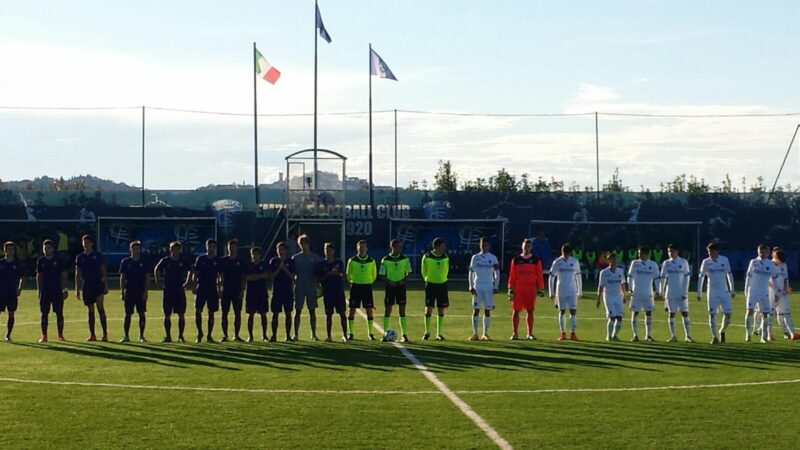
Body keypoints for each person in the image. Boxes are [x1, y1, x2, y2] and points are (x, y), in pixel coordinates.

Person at [697, 242, 735, 344]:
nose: (710, 254)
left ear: (717, 251)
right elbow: (701, 277)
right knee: (712, 314)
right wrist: (699, 293)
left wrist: (732, 289)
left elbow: (729, 274)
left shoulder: (724, 260)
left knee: (728, 314)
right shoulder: (706, 262)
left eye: (712, 252)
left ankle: (721, 331)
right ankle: (714, 337)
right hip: (712, 291)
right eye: (708, 252)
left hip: (724, 291)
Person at [506, 238, 543, 341]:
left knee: (530, 310)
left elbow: (539, 274)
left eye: (528, 246)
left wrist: (540, 288)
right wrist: (510, 288)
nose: (526, 248)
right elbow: (512, 275)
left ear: (531, 248)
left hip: (530, 288)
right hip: (519, 287)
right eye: (525, 246)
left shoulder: (536, 260)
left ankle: (530, 333)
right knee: (516, 310)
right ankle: (515, 333)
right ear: (522, 247)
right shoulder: (516, 260)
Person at [154, 241, 190, 343]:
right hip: (168, 290)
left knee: (181, 314)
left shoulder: (183, 261)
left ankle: (181, 336)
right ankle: (168, 336)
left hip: (179, 290)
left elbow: (190, 271)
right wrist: (158, 282)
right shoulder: (166, 261)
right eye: (174, 249)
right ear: (170, 250)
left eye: (178, 249)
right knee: (167, 314)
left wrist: (187, 282)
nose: (176, 251)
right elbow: (156, 269)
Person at [75, 234, 109, 342]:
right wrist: (77, 289)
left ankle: (105, 334)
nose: (86, 244)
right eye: (84, 242)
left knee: (100, 308)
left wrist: (106, 284)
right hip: (87, 285)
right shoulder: (80, 257)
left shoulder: (98, 255)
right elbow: (78, 273)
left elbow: (103, 269)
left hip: (98, 283)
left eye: (88, 242)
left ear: (92, 243)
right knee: (90, 310)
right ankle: (92, 335)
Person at [379, 239, 412, 342]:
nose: (399, 248)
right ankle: (385, 334)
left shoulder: (405, 258)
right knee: (388, 310)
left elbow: (409, 272)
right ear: (392, 247)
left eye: (400, 247)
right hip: (390, 287)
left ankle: (404, 335)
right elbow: (381, 274)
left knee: (402, 310)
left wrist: (404, 280)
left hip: (401, 287)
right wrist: (389, 281)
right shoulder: (385, 259)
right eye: (398, 246)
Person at [744, 244, 777, 343]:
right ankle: (748, 334)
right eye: (760, 252)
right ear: (758, 252)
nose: (762, 254)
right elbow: (748, 277)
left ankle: (764, 336)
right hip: (753, 291)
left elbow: (774, 279)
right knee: (749, 311)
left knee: (765, 314)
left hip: (764, 292)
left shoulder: (771, 264)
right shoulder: (753, 262)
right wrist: (746, 290)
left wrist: (775, 293)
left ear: (768, 252)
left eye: (764, 252)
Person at [659, 244, 693, 342]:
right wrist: (662, 292)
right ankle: (673, 336)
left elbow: (687, 278)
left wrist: (685, 292)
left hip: (681, 292)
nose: (670, 253)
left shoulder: (683, 262)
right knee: (671, 313)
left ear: (677, 251)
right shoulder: (666, 263)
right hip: (670, 293)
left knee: (685, 313)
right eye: (669, 251)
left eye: (672, 251)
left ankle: (688, 336)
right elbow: (663, 278)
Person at [36, 239, 68, 342]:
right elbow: (39, 276)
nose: (46, 249)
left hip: (57, 290)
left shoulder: (58, 260)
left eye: (49, 247)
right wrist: (39, 290)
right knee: (44, 313)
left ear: (53, 249)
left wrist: (65, 289)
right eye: (45, 248)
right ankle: (44, 335)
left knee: (59, 313)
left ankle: (61, 335)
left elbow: (63, 276)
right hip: (45, 291)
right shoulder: (41, 261)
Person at [549, 243, 582, 341]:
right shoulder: (557, 262)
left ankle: (573, 333)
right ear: (561, 252)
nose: (565, 255)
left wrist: (580, 291)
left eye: (567, 253)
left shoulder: (574, 261)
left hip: (572, 291)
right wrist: (551, 292)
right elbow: (551, 277)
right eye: (564, 253)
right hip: (561, 291)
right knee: (562, 311)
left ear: (570, 253)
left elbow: (578, 276)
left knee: (573, 312)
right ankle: (563, 333)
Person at [627, 246, 660, 342]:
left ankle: (648, 335)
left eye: (641, 253)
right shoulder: (635, 263)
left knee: (648, 313)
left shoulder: (653, 265)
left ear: (647, 254)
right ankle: (635, 335)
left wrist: (658, 291)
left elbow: (657, 279)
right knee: (635, 312)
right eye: (638, 254)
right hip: (636, 292)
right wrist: (629, 288)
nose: (639, 255)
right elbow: (630, 276)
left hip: (648, 293)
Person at [346, 240, 377, 340]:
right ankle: (350, 333)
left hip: (367, 287)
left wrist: (368, 281)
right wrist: (353, 281)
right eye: (360, 247)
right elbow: (348, 274)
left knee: (369, 310)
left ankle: (370, 333)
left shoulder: (371, 261)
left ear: (366, 249)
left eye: (364, 247)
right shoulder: (352, 260)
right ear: (357, 248)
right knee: (352, 310)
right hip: (355, 287)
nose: (362, 249)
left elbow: (374, 274)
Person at [191, 239, 221, 343]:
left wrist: (220, 288)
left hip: (212, 288)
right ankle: (199, 333)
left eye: (213, 246)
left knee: (211, 312)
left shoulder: (217, 260)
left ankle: (209, 335)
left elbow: (220, 276)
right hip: (201, 288)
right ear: (206, 247)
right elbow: (194, 273)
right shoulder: (200, 258)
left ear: (215, 248)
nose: (211, 248)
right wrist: (194, 285)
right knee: (198, 311)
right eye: (210, 246)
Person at [292, 234, 321, 341]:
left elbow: (319, 273)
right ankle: (295, 334)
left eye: (305, 243)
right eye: (301, 244)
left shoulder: (315, 257)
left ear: (308, 244)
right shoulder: (295, 258)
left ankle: (313, 334)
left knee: (312, 311)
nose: (303, 246)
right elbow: (292, 273)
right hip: (299, 287)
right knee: (297, 311)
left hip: (311, 288)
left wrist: (318, 286)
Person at [119, 241, 150, 342]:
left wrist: (146, 292)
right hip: (129, 291)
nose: (135, 251)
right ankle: (126, 336)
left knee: (141, 313)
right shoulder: (125, 262)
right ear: (130, 249)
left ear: (140, 250)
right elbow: (122, 277)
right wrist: (122, 291)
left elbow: (147, 277)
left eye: (137, 248)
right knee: (128, 313)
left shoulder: (144, 261)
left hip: (140, 291)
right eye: (133, 248)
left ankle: (141, 336)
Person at [317, 242, 348, 342]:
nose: (328, 252)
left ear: (333, 251)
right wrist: (329, 274)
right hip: (328, 293)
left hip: (338, 292)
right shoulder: (322, 265)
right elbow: (319, 279)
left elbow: (343, 276)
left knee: (342, 314)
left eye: (330, 250)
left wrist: (337, 273)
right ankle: (329, 336)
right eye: (326, 250)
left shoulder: (339, 263)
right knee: (329, 315)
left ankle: (345, 335)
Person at [421, 237, 450, 340]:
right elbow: (423, 271)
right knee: (428, 308)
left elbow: (446, 270)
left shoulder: (445, 257)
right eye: (442, 246)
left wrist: (442, 279)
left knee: (441, 309)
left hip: (442, 285)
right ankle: (426, 332)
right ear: (436, 246)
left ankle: (439, 333)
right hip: (431, 285)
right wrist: (427, 279)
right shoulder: (427, 256)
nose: (444, 248)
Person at [219, 239, 246, 342]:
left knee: (237, 313)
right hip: (226, 290)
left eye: (234, 247)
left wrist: (242, 290)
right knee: (224, 313)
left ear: (236, 248)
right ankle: (225, 335)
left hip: (237, 290)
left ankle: (236, 335)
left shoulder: (241, 260)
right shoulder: (223, 260)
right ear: (228, 248)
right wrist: (220, 289)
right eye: (230, 247)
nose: (232, 249)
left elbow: (243, 277)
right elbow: (220, 277)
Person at [268, 242, 296, 342]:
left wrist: (285, 269)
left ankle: (288, 336)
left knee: (288, 314)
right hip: (277, 291)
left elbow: (293, 276)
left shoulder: (290, 261)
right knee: (275, 314)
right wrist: (279, 268)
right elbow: (271, 276)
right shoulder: (273, 261)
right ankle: (274, 335)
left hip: (287, 291)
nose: (280, 251)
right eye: (279, 249)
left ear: (286, 251)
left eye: (282, 249)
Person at [769, 248, 798, 340]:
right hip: (772, 293)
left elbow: (785, 278)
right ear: (774, 256)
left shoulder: (783, 265)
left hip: (782, 293)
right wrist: (775, 291)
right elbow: (766, 280)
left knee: (786, 313)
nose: (781, 261)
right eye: (779, 258)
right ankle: (769, 334)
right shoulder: (769, 264)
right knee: (770, 314)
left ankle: (793, 334)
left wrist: (786, 288)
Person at [597, 252, 627, 341]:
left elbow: (622, 284)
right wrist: (598, 298)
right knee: (612, 317)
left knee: (620, 318)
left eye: (615, 259)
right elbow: (601, 286)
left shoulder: (620, 271)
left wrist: (624, 295)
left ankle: (615, 335)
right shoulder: (604, 272)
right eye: (612, 259)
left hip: (618, 297)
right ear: (608, 260)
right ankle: (608, 336)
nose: (614, 261)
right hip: (608, 296)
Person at [244, 247, 270, 342]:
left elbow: (266, 276)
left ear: (260, 255)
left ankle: (264, 335)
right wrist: (259, 276)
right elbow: (246, 278)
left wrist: (255, 276)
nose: (255, 256)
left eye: (257, 254)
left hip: (262, 293)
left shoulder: (264, 264)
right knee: (250, 315)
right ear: (251, 255)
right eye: (253, 254)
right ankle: (250, 336)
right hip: (251, 293)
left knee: (263, 314)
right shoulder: (248, 265)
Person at [0, 242, 24, 342]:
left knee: (11, 314)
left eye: (12, 249)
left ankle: (8, 335)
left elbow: (22, 277)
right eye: (9, 249)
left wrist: (19, 288)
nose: (11, 251)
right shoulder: (1, 263)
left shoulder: (17, 264)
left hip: (12, 293)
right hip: (1, 292)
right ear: (5, 250)